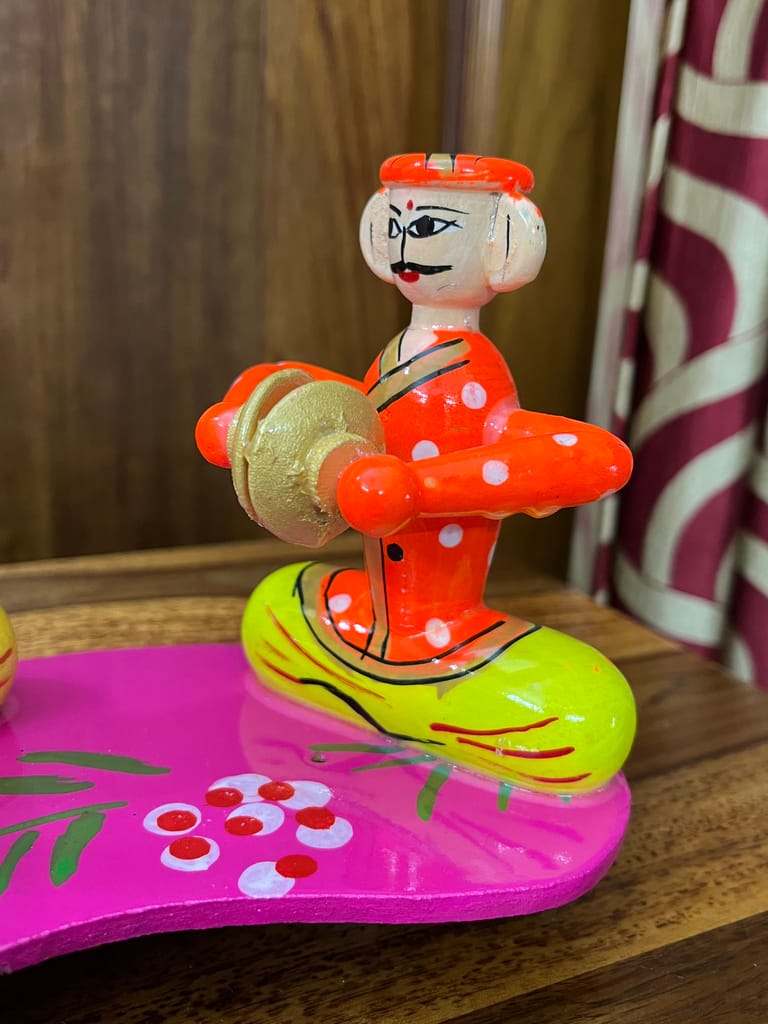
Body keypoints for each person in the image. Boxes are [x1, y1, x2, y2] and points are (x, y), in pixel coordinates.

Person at [196, 153, 636, 792]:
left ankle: (421, 677)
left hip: (451, 623)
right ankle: (393, 682)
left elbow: (598, 456)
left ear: (505, 242)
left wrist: (420, 490)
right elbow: (341, 403)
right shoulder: (396, 358)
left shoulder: (478, 373)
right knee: (272, 608)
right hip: (372, 614)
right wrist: (256, 416)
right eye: (395, 225)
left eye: (429, 226)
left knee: (586, 725)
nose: (406, 245)